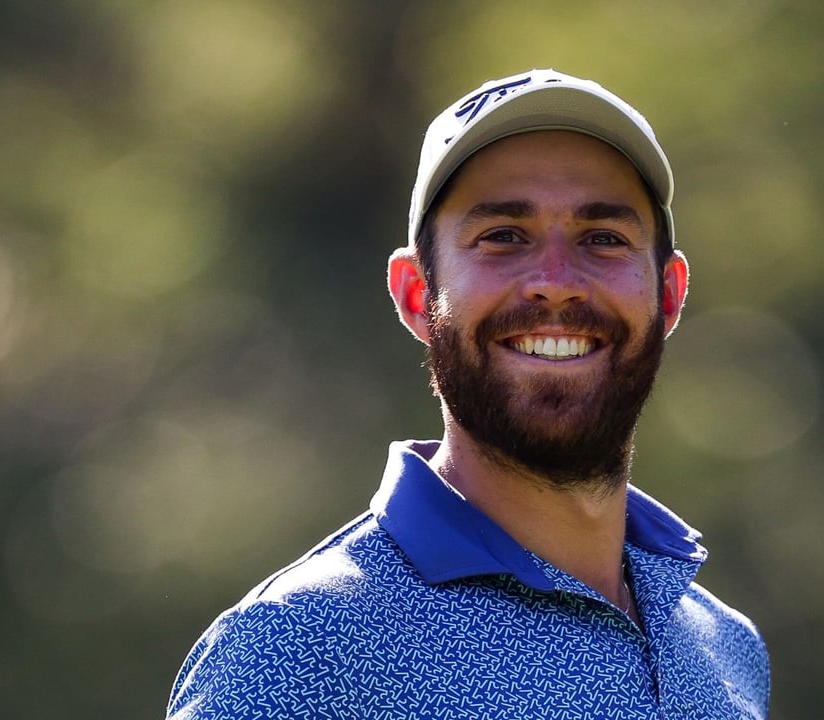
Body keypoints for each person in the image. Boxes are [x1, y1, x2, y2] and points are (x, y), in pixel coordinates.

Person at [165, 69, 770, 719]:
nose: (556, 283)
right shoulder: (297, 649)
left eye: (603, 238)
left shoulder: (723, 645)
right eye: (503, 236)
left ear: (670, 295)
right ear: (417, 295)